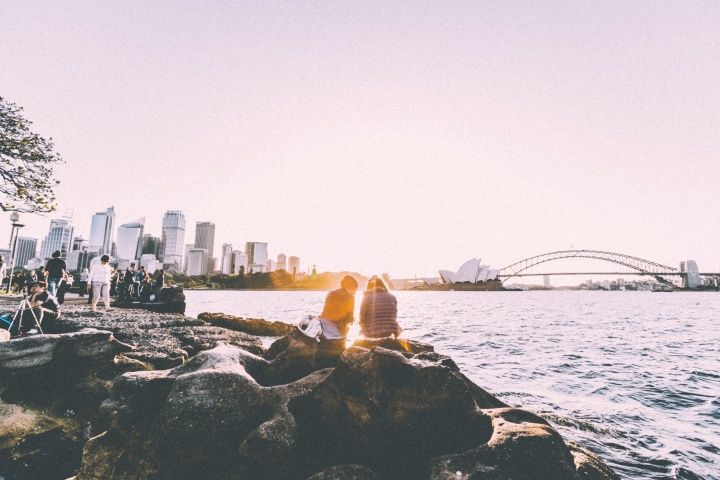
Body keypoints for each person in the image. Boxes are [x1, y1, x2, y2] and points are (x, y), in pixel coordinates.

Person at [316, 275, 359, 367]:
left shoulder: (330, 293)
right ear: (352, 287)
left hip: (323, 328)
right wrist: (353, 320)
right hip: (336, 334)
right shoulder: (351, 297)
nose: (355, 293)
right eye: (355, 290)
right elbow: (348, 319)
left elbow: (327, 310)